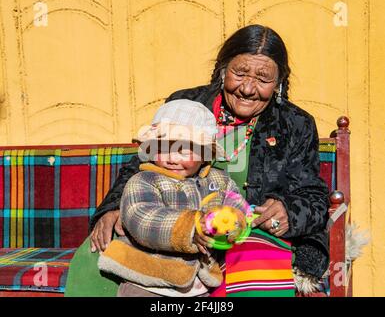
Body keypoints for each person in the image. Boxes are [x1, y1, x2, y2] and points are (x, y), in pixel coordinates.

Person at [65, 24, 329, 297]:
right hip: (169, 222)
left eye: (263, 79)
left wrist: (289, 211)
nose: (248, 89)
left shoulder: (295, 124)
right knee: (98, 254)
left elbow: (312, 193)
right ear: (223, 69)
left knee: (254, 262)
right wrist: (111, 209)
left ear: (279, 83)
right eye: (239, 73)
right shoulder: (186, 104)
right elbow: (141, 163)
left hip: (240, 232)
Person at [98, 99, 253, 297]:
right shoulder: (144, 180)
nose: (171, 158)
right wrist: (190, 229)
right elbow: (141, 217)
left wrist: (234, 222)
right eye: (162, 148)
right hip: (147, 278)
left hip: (198, 282)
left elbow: (236, 204)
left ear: (205, 153)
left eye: (183, 150)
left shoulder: (218, 180)